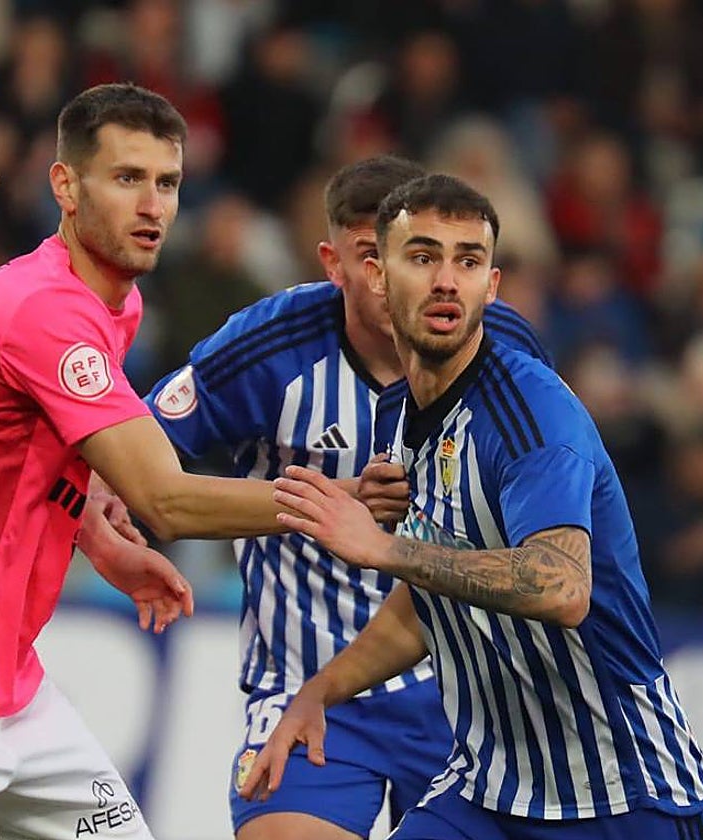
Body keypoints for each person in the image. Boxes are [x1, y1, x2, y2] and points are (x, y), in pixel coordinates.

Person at [0, 83, 323, 840]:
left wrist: (94, 534)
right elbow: (167, 502)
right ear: (66, 185)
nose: (152, 205)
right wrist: (325, 507)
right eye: (126, 179)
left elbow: (5, 450)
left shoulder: (112, 302)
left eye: (167, 183)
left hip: (5, 678)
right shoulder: (43, 307)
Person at [241, 174, 703, 840]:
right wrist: (321, 690)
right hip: (488, 791)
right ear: (378, 277)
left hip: (625, 798)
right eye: (423, 256)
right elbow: (423, 603)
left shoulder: (532, 414)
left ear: (490, 288)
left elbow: (561, 586)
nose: (446, 279)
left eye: (467, 260)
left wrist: (384, 548)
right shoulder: (398, 415)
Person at [145, 155, 552, 840]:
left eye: (418, 256)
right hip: (311, 693)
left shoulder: (502, 344)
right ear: (334, 263)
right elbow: (137, 452)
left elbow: (542, 503)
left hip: (465, 697)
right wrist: (103, 515)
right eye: (373, 257)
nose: (394, 280)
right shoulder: (268, 346)